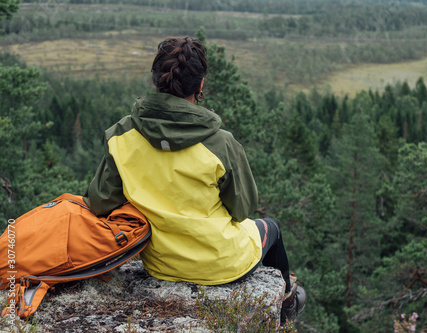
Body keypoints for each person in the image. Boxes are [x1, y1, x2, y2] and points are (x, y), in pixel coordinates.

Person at [83, 36, 305, 322]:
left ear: (155, 80)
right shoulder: (220, 143)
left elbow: (100, 202)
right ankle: (286, 305)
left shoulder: (121, 135)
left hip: (159, 263)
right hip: (222, 264)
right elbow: (243, 210)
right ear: (200, 85)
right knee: (271, 228)